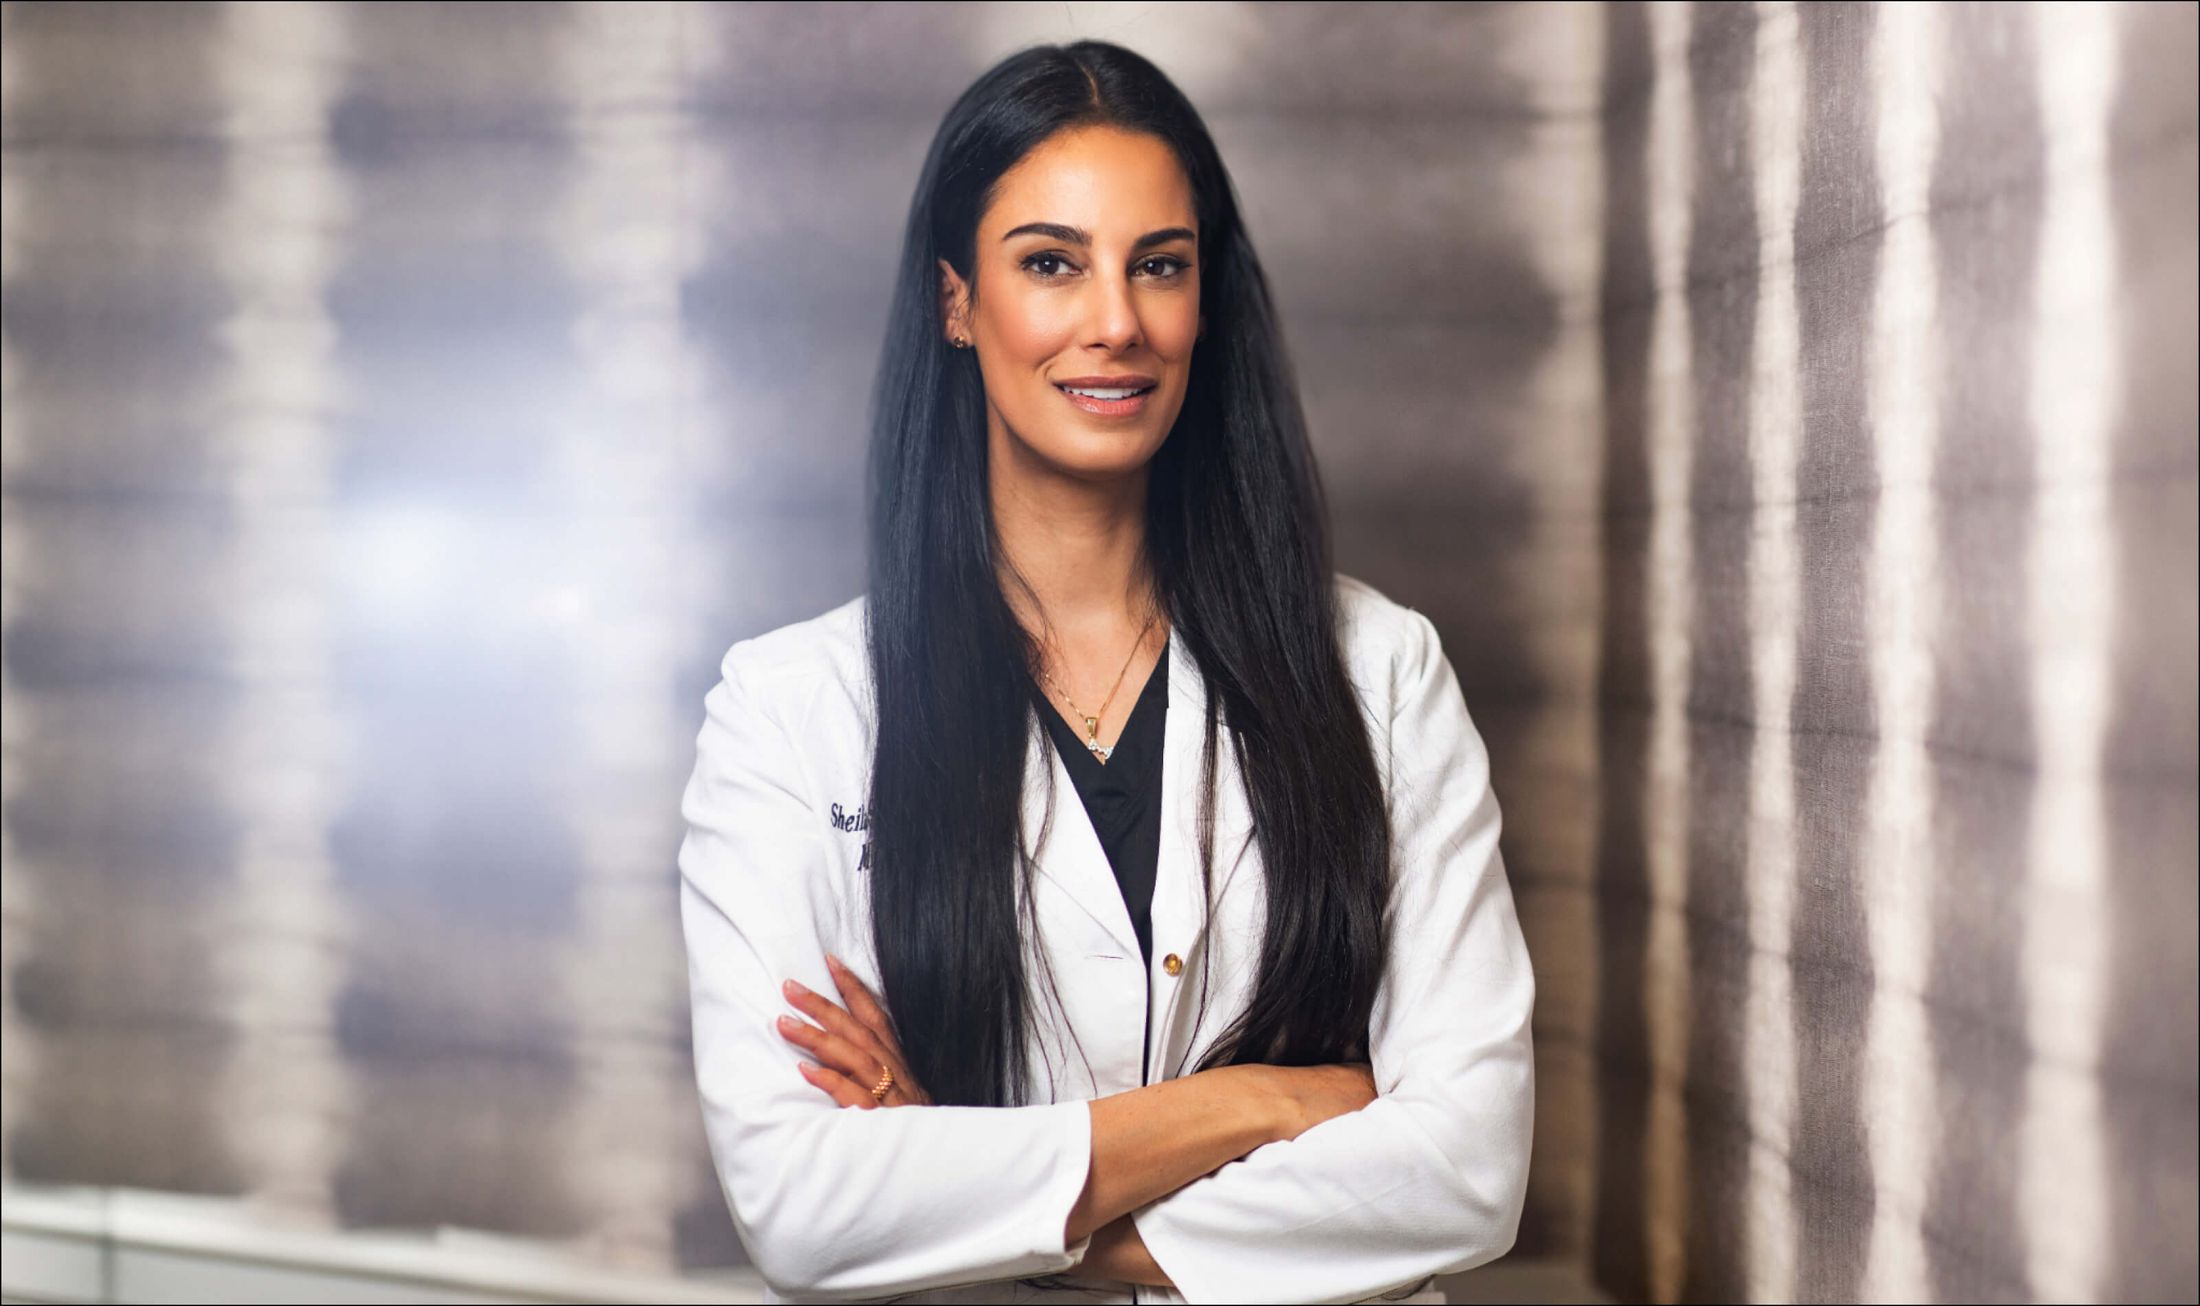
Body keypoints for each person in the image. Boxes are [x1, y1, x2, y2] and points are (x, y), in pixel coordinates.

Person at [677, 38, 1535, 1306]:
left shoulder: (1380, 670)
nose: (1116, 321)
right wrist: (1260, 1102)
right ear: (957, 301)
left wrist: (973, 1190)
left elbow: (1467, 1169)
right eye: (1050, 263)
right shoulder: (791, 712)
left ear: (1205, 299)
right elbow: (804, 1205)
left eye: (1160, 266)